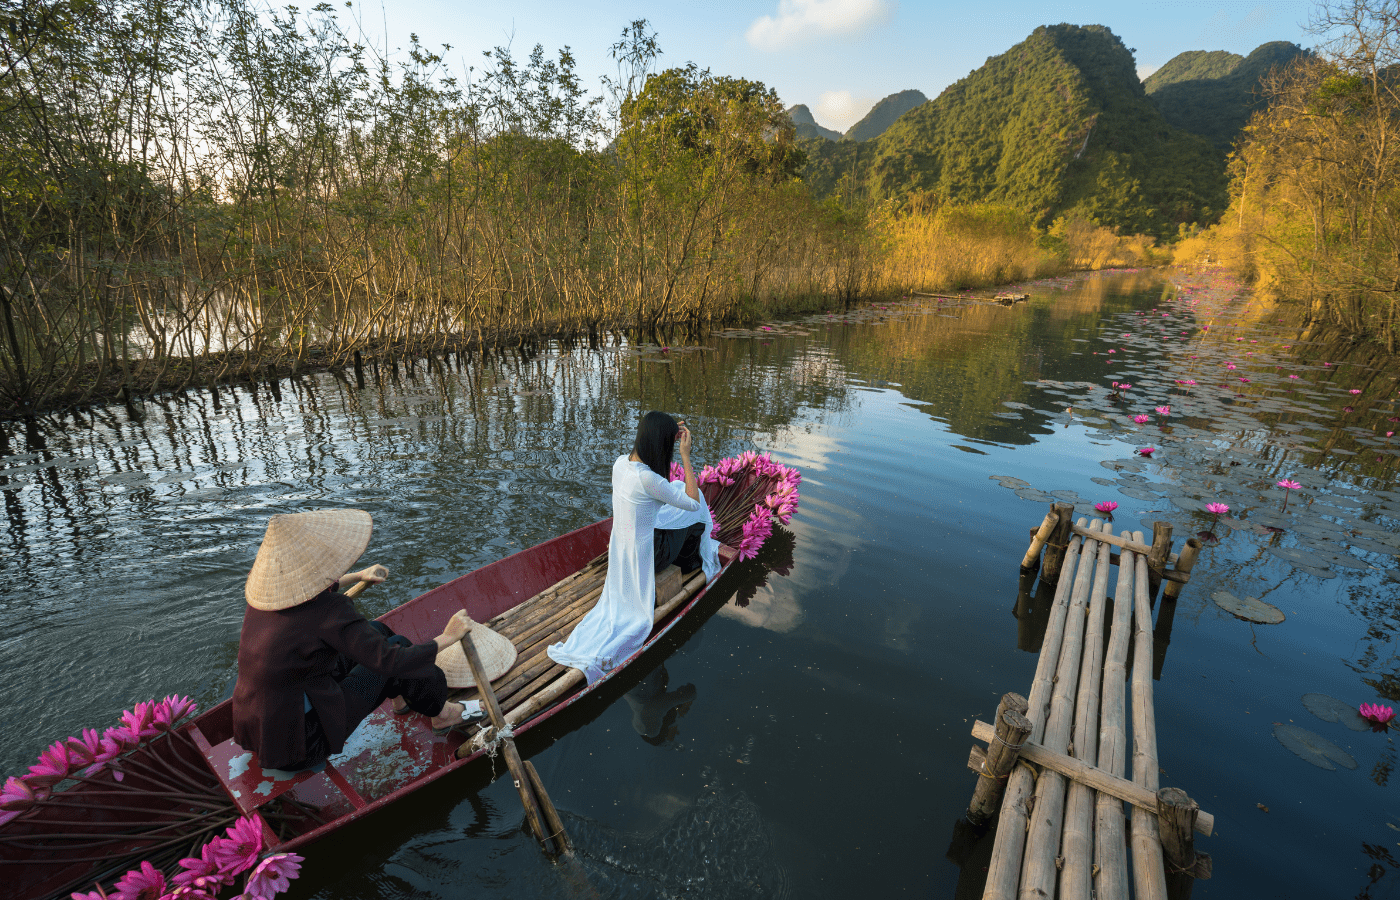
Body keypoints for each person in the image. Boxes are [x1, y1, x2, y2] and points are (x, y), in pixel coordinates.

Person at [232, 509, 482, 772]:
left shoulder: (263, 601)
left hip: (258, 727)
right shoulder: (329, 611)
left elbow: (310, 592)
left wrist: (359, 576)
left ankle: (401, 700)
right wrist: (449, 636)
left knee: (377, 630)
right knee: (394, 655)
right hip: (301, 743)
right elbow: (392, 661)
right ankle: (442, 714)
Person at [547, 411, 715, 683]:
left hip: (622, 555)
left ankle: (687, 555)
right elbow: (693, 502)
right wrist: (685, 455)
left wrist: (668, 431)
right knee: (696, 515)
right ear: (661, 445)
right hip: (649, 558)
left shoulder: (620, 465)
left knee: (675, 500)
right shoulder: (649, 480)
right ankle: (691, 562)